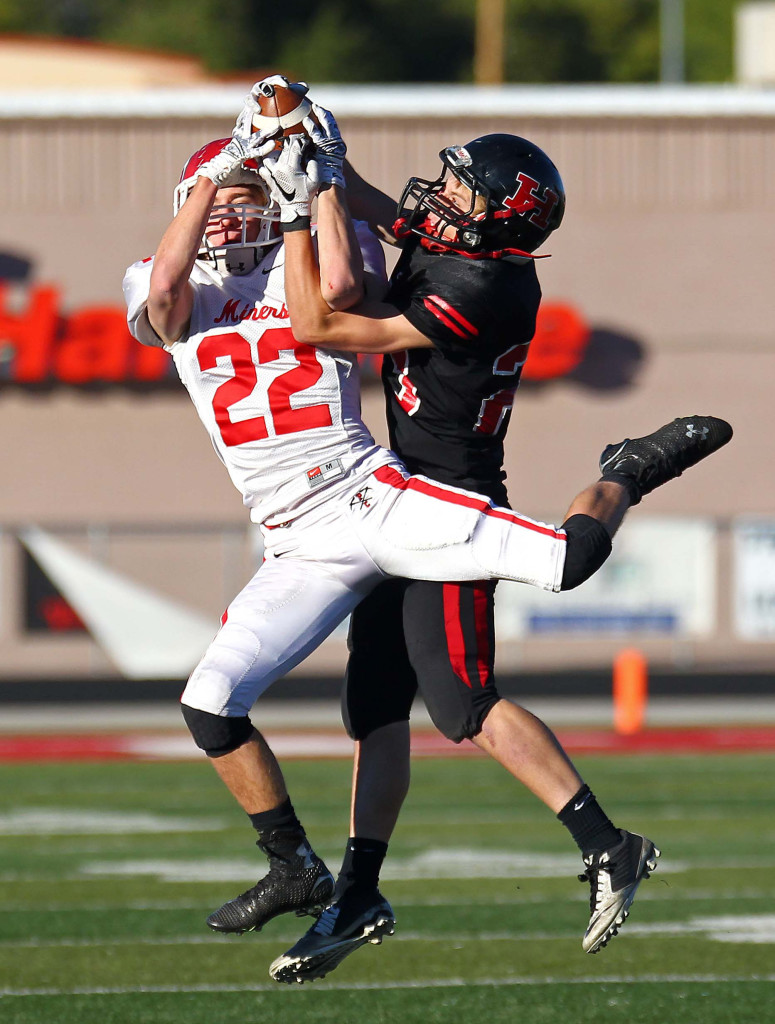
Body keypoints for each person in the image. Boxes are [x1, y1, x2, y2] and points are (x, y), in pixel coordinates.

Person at [122, 81, 731, 980]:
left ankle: (626, 470)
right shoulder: (429, 244)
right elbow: (199, 279)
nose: (436, 199)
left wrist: (298, 201)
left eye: (460, 194)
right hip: (310, 531)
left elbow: (324, 311)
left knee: (482, 670)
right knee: (338, 708)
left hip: (406, 489)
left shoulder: (479, 281)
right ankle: (330, 882)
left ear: (491, 226)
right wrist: (308, 168)